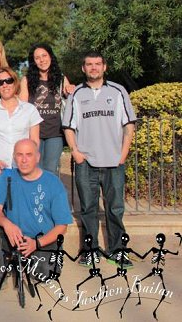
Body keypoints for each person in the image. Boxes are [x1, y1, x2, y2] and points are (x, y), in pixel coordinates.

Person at [62, 51, 136, 266]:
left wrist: (123, 155)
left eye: (97, 64)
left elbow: (129, 125)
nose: (93, 67)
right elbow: (69, 127)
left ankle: (118, 250)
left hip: (114, 162)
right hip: (87, 163)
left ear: (105, 67)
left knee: (115, 208)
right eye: (89, 64)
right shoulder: (76, 94)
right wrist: (75, 151)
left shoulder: (118, 91)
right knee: (88, 208)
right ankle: (90, 250)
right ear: (83, 68)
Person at [0, 139, 73, 295]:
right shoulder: (7, 177)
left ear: (37, 157)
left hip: (41, 240)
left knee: (44, 275)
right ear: (14, 157)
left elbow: (62, 226)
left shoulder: (53, 182)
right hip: (14, 237)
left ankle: (25, 265)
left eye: (29, 155)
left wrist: (37, 243)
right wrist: (6, 223)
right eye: (19, 155)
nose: (24, 160)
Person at [0, 67, 42, 199]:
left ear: (15, 82)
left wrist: (31, 161)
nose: (5, 85)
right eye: (0, 82)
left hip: (23, 167)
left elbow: (35, 140)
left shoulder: (30, 110)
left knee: (23, 206)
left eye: (8, 80)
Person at [19, 43, 74, 175]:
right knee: (34, 168)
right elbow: (22, 106)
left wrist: (70, 89)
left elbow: (69, 96)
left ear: (50, 56)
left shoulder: (61, 78)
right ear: (33, 61)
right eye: (37, 58)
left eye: (44, 55)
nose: (42, 60)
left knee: (51, 170)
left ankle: (49, 195)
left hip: (55, 133)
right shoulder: (27, 80)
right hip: (33, 132)